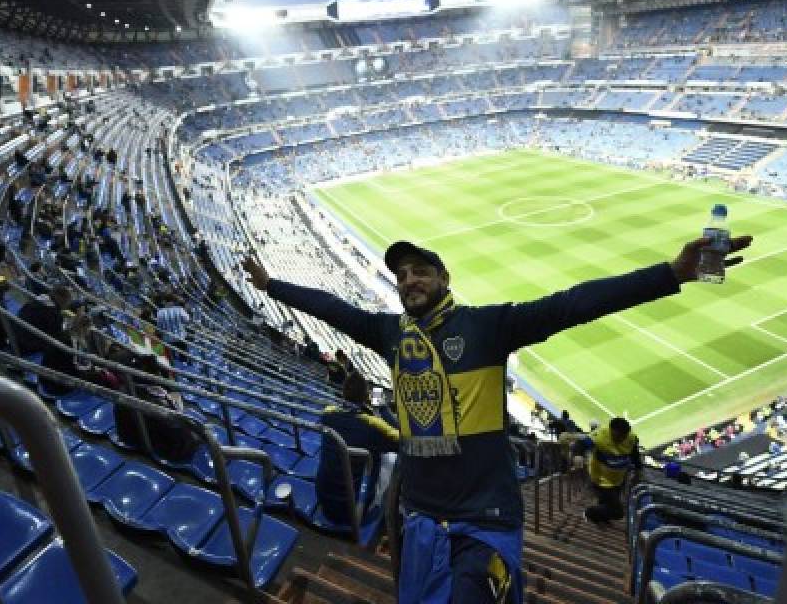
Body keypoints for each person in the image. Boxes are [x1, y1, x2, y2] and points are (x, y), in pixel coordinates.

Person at [241, 232, 750, 603]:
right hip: (419, 517)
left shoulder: (487, 326)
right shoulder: (389, 333)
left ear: (444, 279)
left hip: (484, 520)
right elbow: (331, 308)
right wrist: (271, 285)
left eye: (421, 271)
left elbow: (571, 305)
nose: (409, 280)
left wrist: (672, 273)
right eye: (401, 275)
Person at [317, 372, 399, 524]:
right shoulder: (373, 427)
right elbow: (403, 440)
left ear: (343, 392)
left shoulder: (327, 415)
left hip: (325, 502)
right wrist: (382, 408)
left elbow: (350, 421)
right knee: (391, 459)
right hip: (356, 510)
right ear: (366, 396)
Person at [574, 417, 643, 524]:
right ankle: (589, 513)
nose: (620, 440)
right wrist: (578, 455)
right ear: (610, 430)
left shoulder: (631, 438)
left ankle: (598, 519)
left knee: (606, 503)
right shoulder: (600, 435)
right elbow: (580, 444)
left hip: (618, 479)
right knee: (618, 512)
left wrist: (638, 470)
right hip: (601, 479)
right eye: (616, 436)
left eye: (623, 437)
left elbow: (635, 455)